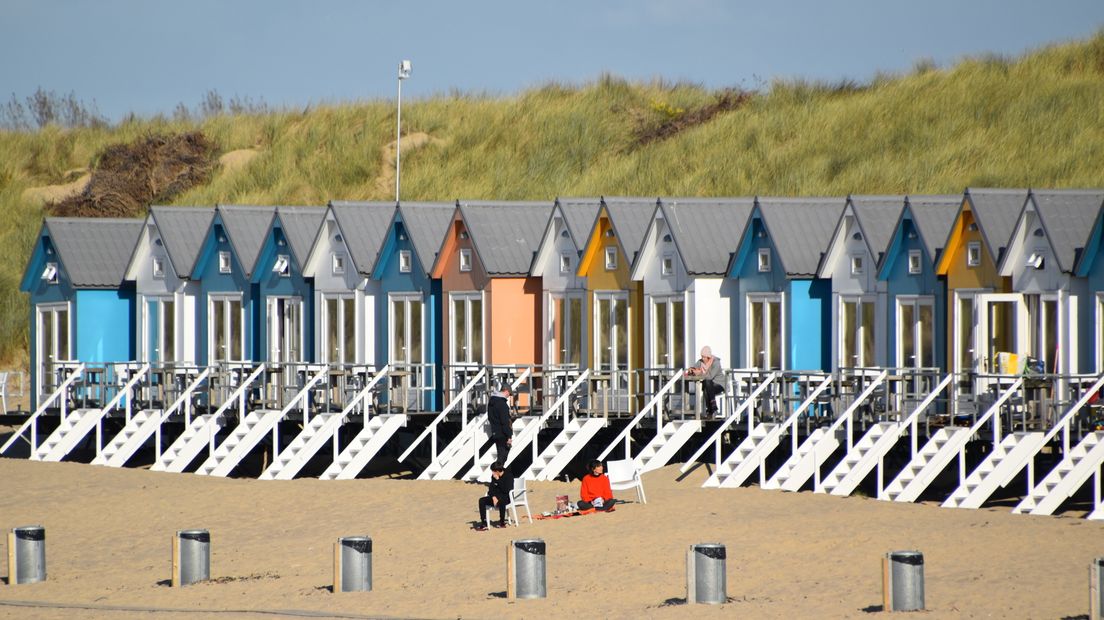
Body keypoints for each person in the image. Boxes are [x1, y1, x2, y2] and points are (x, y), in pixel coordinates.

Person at [686, 345, 724, 417]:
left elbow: (710, 376)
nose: (702, 358)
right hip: (708, 385)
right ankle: (713, 409)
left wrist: (699, 373)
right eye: (702, 356)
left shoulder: (716, 363)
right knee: (707, 387)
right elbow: (694, 367)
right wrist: (692, 370)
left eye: (704, 357)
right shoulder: (700, 362)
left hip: (719, 384)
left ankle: (710, 410)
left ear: (708, 357)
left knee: (707, 384)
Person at [475, 463, 514, 530]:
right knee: (481, 500)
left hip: (506, 497)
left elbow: (506, 490)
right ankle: (484, 523)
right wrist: (493, 497)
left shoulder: (509, 476)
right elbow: (490, 489)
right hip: (495, 497)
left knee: (502, 501)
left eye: (493, 471)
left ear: (497, 471)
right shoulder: (493, 476)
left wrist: (498, 480)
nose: (492, 473)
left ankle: (502, 522)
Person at [487, 383, 513, 466]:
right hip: (503, 433)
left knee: (500, 454)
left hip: (495, 431)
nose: (509, 396)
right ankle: (497, 474)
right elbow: (505, 421)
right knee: (503, 456)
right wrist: (509, 436)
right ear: (506, 391)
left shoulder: (492, 402)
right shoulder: (502, 404)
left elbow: (490, 417)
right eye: (509, 393)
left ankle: (497, 474)